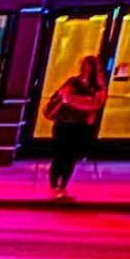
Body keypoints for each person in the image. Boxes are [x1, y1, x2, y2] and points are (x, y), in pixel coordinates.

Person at [44, 57, 107, 199]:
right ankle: (54, 186)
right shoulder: (73, 82)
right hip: (65, 125)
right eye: (85, 66)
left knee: (71, 158)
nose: (86, 70)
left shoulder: (97, 87)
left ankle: (63, 186)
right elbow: (64, 97)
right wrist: (81, 101)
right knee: (60, 155)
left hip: (82, 127)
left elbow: (96, 103)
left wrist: (76, 100)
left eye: (90, 67)